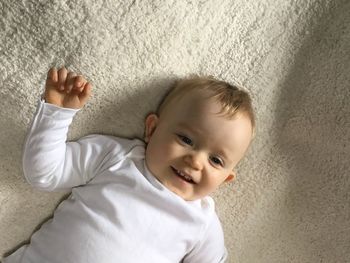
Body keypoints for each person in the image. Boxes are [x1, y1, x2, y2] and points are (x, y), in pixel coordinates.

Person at [4, 67, 255, 263]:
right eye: (186, 139)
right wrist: (56, 114)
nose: (196, 161)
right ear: (152, 128)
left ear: (225, 178)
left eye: (216, 160)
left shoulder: (202, 222)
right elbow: (44, 173)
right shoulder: (116, 156)